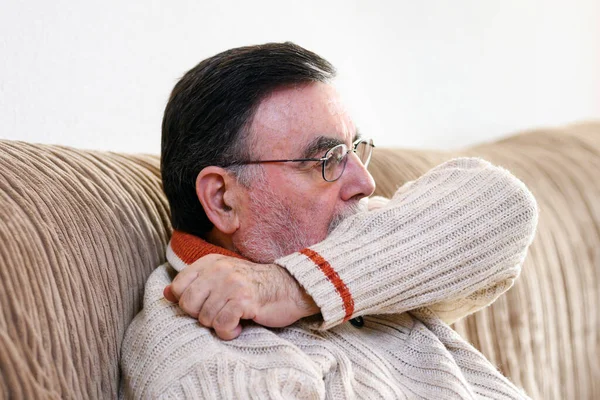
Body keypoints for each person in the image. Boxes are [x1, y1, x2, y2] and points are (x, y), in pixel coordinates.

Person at [120, 42, 538, 399]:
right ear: (223, 200)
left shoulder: (345, 245)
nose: (366, 183)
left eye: (354, 148)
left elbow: (506, 207)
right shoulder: (202, 358)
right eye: (327, 159)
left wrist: (294, 286)